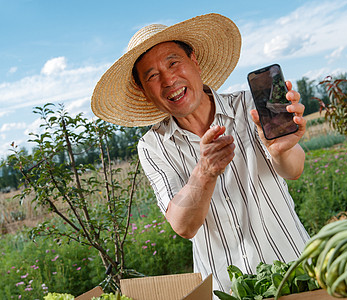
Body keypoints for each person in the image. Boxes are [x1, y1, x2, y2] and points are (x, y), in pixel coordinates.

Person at [91, 13, 310, 295]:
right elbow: (183, 226)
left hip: (295, 273)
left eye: (173, 63)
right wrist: (204, 172)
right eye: (153, 76)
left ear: (194, 60)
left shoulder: (249, 106)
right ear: (143, 90)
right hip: (228, 291)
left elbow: (293, 170)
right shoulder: (153, 147)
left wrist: (282, 150)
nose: (168, 80)